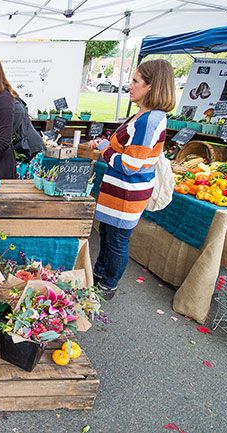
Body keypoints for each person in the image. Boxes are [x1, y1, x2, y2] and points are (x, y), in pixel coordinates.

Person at [87, 59, 176, 299]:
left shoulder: (150, 120)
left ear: (151, 86)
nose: (130, 85)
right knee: (107, 235)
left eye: (135, 81)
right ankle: (100, 275)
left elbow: (130, 165)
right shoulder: (143, 115)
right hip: (119, 192)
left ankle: (108, 284)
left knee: (116, 240)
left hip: (127, 192)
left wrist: (105, 148)